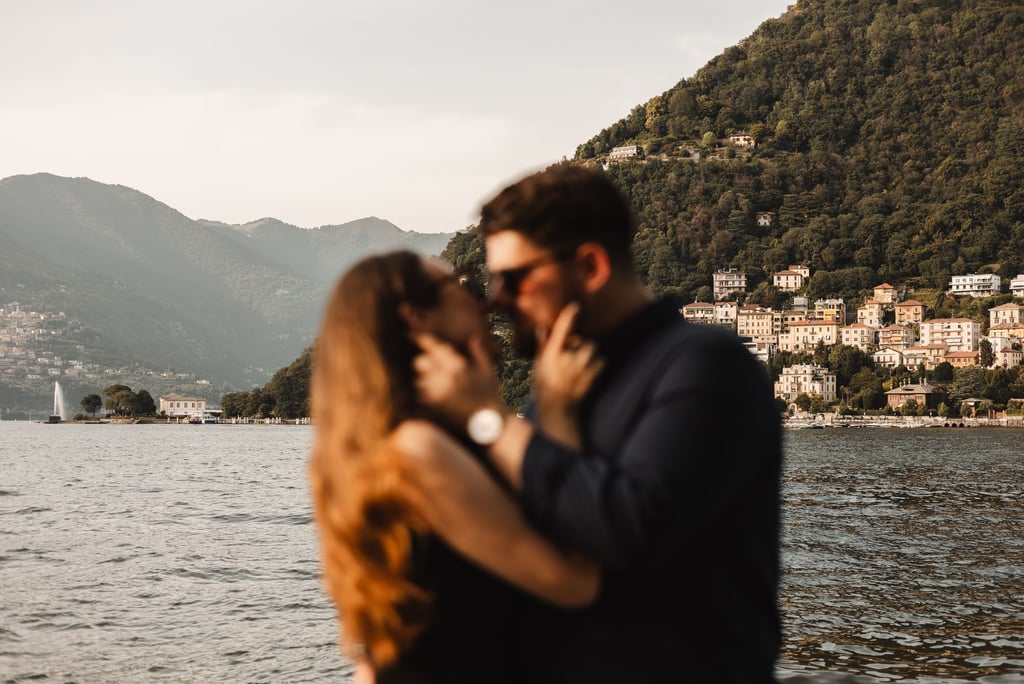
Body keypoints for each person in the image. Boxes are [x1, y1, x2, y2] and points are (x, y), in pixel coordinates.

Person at [413, 165, 783, 683]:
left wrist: (485, 418)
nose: (496, 299)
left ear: (590, 266)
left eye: (514, 278)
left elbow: (628, 532)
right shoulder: (558, 386)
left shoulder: (708, 366)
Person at [307, 250, 602, 684]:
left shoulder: (390, 443)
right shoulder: (419, 449)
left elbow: (369, 657)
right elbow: (575, 583)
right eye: (462, 284)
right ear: (417, 318)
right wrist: (556, 413)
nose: (486, 302)